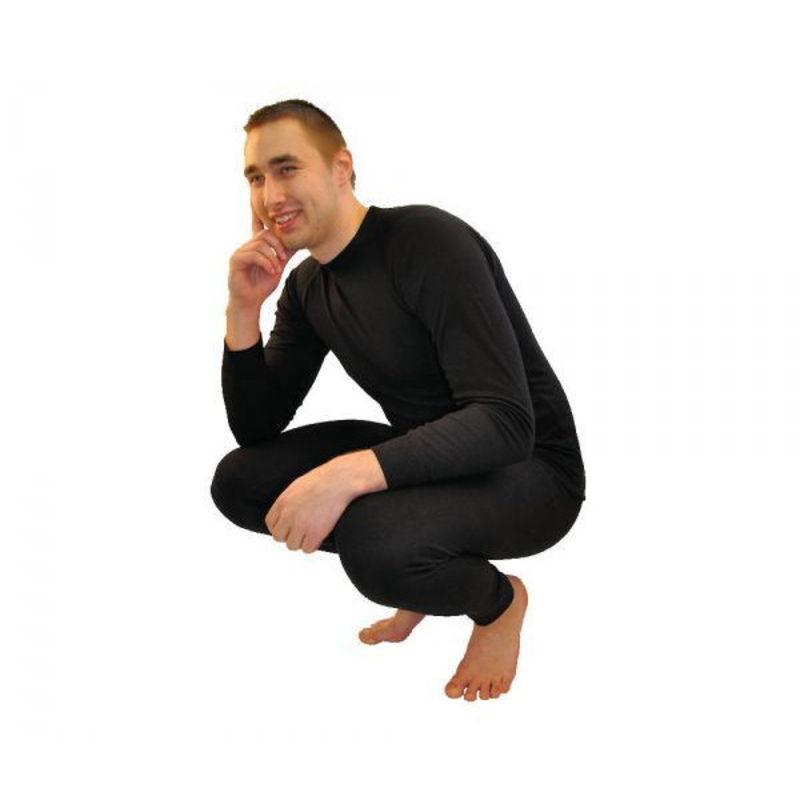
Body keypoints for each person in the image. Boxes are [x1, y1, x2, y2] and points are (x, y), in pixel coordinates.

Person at [210, 99, 586, 702]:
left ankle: (496, 603)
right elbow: (257, 427)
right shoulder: (307, 285)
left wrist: (344, 477)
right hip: (435, 457)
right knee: (240, 483)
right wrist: (243, 309)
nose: (269, 195)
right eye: (255, 177)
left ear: (340, 168)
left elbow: (505, 422)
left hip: (532, 472)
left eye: (286, 168)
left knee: (374, 545)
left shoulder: (426, 240)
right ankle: (425, 561)